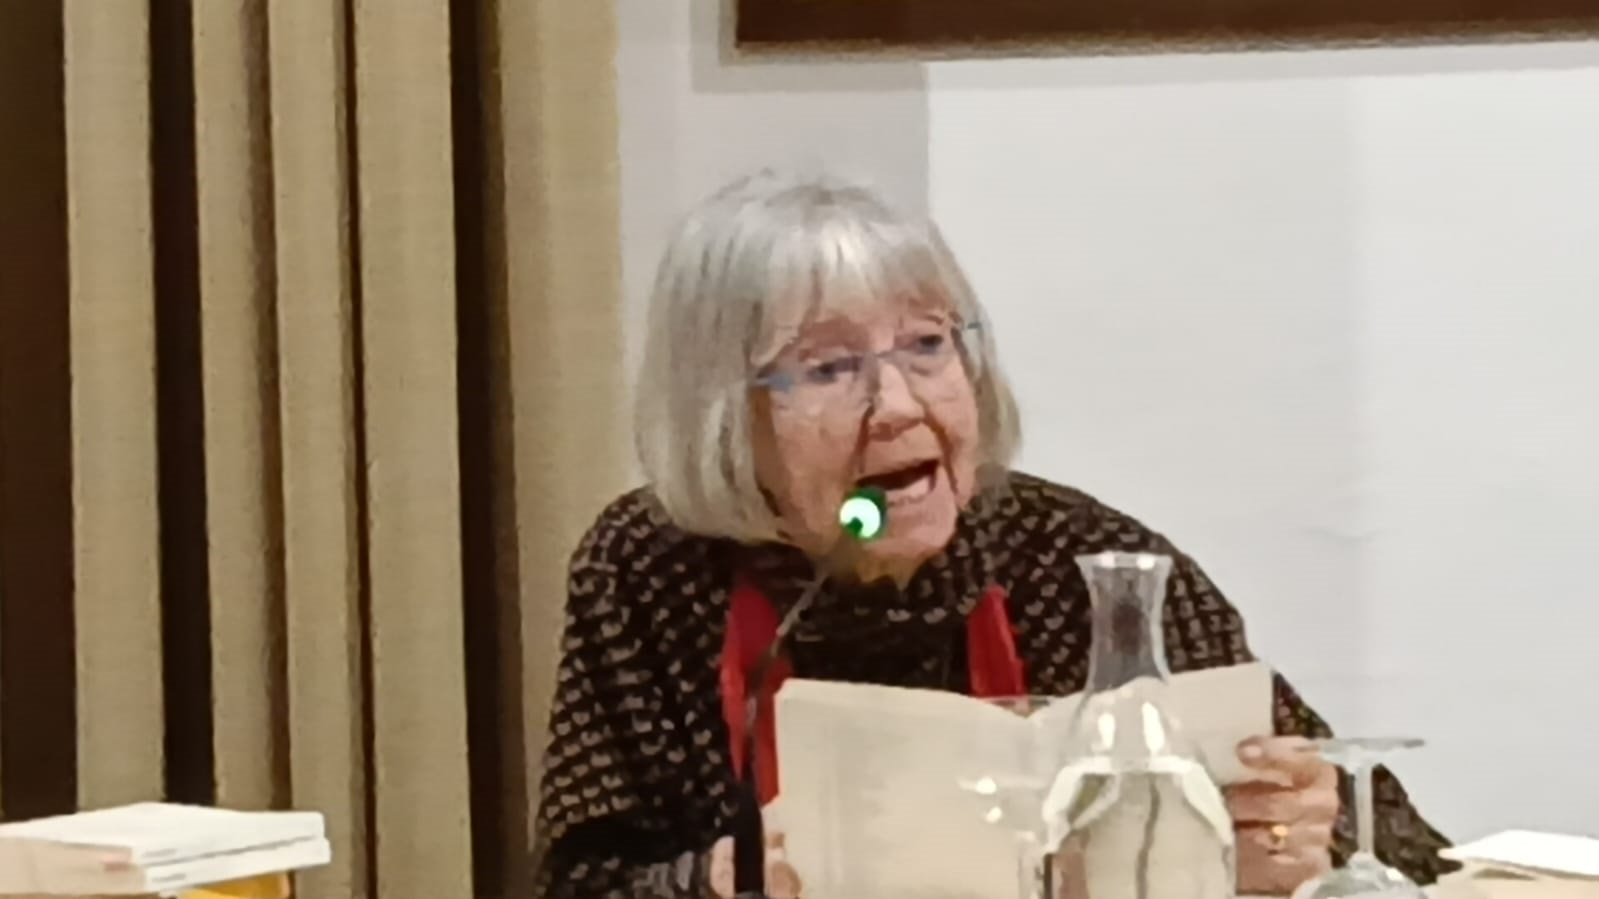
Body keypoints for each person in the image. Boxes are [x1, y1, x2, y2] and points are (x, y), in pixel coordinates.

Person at [532, 169, 1452, 898]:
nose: (898, 406)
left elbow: (1409, 846)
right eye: (829, 367)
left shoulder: (1083, 560)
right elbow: (581, 880)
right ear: (723, 411)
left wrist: (1306, 838)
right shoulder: (649, 570)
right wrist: (714, 880)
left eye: (926, 344)